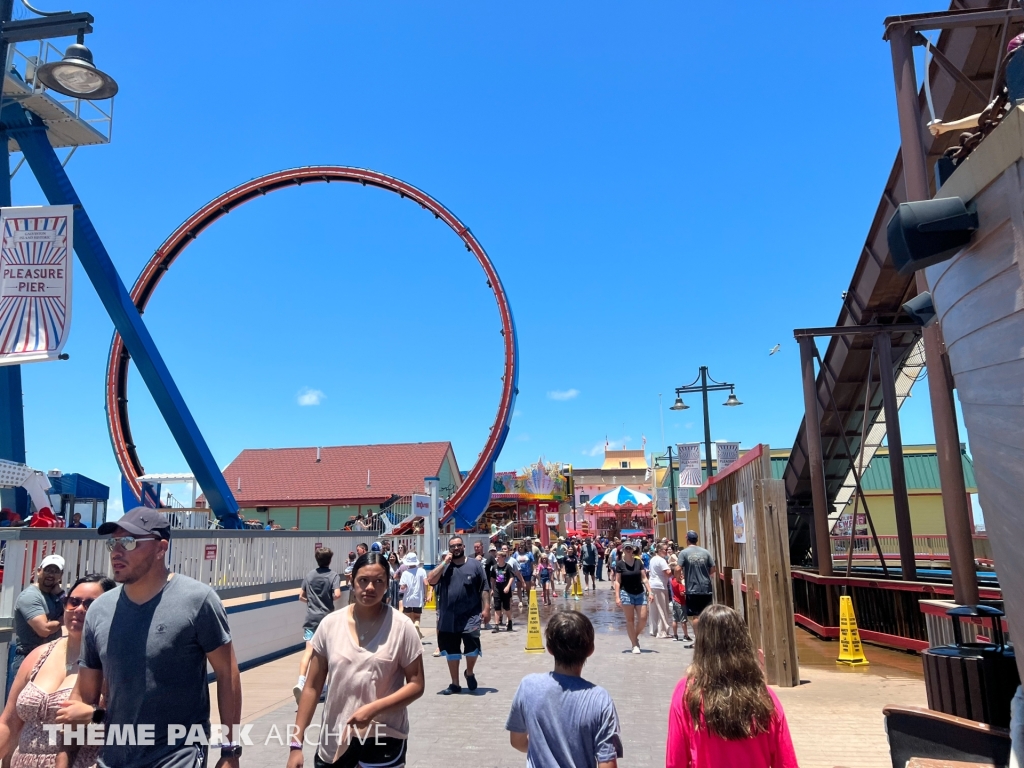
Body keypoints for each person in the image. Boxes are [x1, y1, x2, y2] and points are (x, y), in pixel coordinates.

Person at [57, 507, 242, 768]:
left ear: (160, 548)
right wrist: (63, 760)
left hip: (177, 756)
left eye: (129, 542)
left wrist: (230, 750)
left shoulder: (197, 600)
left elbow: (227, 673)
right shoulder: (100, 610)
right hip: (113, 759)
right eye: (114, 542)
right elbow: (84, 697)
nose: (117, 551)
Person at [289, 552, 424, 768]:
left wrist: (373, 709)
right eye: (363, 580)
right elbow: (312, 687)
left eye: (378, 581)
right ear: (351, 581)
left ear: (388, 584)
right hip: (333, 744)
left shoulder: (402, 627)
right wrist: (296, 745)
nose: (370, 587)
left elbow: (416, 685)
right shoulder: (330, 625)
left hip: (382, 742)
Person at [0, 573, 114, 768]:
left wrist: (94, 715)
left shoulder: (113, 663)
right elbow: (9, 723)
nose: (79, 609)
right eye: (74, 602)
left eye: (90, 604)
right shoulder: (39, 655)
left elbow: (135, 727)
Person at [665, 605, 797, 768]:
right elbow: (786, 762)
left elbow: (675, 761)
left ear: (702, 644)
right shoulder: (764, 696)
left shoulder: (687, 693)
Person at [506, 611, 622, 768]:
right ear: (590, 650)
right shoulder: (600, 699)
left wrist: (541, 751)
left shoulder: (529, 686)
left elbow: (517, 741)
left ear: (549, 648)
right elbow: (607, 762)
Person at [425, 537, 490, 694]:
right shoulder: (445, 567)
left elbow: (484, 588)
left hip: (471, 615)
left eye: (458, 545)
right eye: (452, 546)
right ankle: (455, 684)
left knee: (472, 644)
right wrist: (444, 563)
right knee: (452, 650)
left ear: (463, 546)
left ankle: (469, 672)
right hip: (449, 618)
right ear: (449, 549)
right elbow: (430, 579)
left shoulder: (475, 565)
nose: (456, 548)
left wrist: (487, 608)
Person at [10, 555, 65, 697]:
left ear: (61, 575)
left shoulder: (55, 595)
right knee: (20, 710)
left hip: (51, 659)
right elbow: (44, 630)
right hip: (29, 658)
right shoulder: (30, 596)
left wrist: (60, 593)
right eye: (47, 570)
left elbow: (72, 610)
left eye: (55, 571)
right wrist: (62, 620)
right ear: (39, 570)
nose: (51, 574)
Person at [293, 547, 342, 704]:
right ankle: (323, 687)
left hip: (311, 618)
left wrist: (312, 602)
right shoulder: (333, 576)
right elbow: (337, 594)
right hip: (327, 619)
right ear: (330, 560)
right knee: (327, 654)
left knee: (308, 652)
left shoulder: (309, 575)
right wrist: (327, 599)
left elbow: (301, 596)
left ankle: (301, 682)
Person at [613, 541, 651, 654]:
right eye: (626, 548)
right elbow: (617, 581)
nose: (629, 550)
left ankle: (634, 636)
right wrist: (617, 597)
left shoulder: (638, 562)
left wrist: (650, 591)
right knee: (630, 620)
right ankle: (634, 644)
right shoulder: (619, 564)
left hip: (640, 593)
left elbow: (644, 578)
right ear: (623, 550)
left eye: (630, 548)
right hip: (626, 593)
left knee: (643, 619)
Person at [679, 531, 716, 646]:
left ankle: (699, 641)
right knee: (707, 614)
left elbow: (677, 568)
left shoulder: (684, 553)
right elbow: (713, 568)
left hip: (692, 588)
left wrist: (678, 579)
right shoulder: (705, 552)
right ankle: (708, 639)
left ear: (687, 540)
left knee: (696, 616)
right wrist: (705, 576)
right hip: (706, 587)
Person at [398, 552, 427, 640]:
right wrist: (425, 595)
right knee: (417, 617)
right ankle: (417, 625)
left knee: (408, 618)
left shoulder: (405, 573)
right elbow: (426, 583)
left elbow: (402, 587)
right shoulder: (422, 571)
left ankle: (411, 636)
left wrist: (404, 587)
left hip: (408, 598)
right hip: (418, 598)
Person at [648, 543, 673, 640]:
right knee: (662, 609)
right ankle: (662, 632)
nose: (667, 552)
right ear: (659, 550)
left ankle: (654, 630)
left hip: (652, 585)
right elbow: (667, 573)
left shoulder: (653, 559)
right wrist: (674, 568)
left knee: (654, 609)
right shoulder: (661, 560)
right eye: (665, 550)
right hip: (660, 586)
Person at [491, 550, 515, 632]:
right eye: (497, 556)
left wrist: (508, 586)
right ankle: (496, 625)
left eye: (499, 556)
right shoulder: (494, 567)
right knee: (497, 607)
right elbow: (493, 579)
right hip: (497, 589)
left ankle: (510, 621)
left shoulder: (508, 567)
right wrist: (492, 589)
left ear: (503, 557)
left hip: (505, 589)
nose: (497, 558)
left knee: (506, 607)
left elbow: (512, 577)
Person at [670, 564, 691, 642]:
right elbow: (682, 593)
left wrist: (680, 579)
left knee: (674, 619)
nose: (681, 573)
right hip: (680, 602)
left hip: (674, 601)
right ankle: (686, 636)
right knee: (683, 620)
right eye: (680, 572)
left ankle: (675, 636)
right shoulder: (679, 584)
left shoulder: (673, 580)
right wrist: (685, 590)